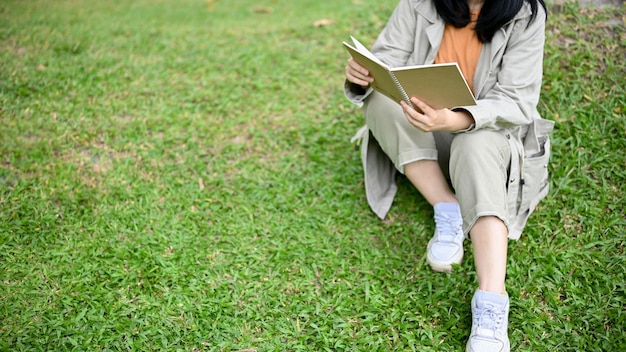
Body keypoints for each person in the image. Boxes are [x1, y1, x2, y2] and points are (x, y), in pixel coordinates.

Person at [344, 0, 554, 351]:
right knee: (381, 101)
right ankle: (447, 205)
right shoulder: (419, 3)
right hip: (424, 132)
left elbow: (517, 102)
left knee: (475, 144)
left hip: (487, 137)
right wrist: (363, 77)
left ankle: (491, 299)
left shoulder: (526, 14)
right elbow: (386, 62)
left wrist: (455, 119)